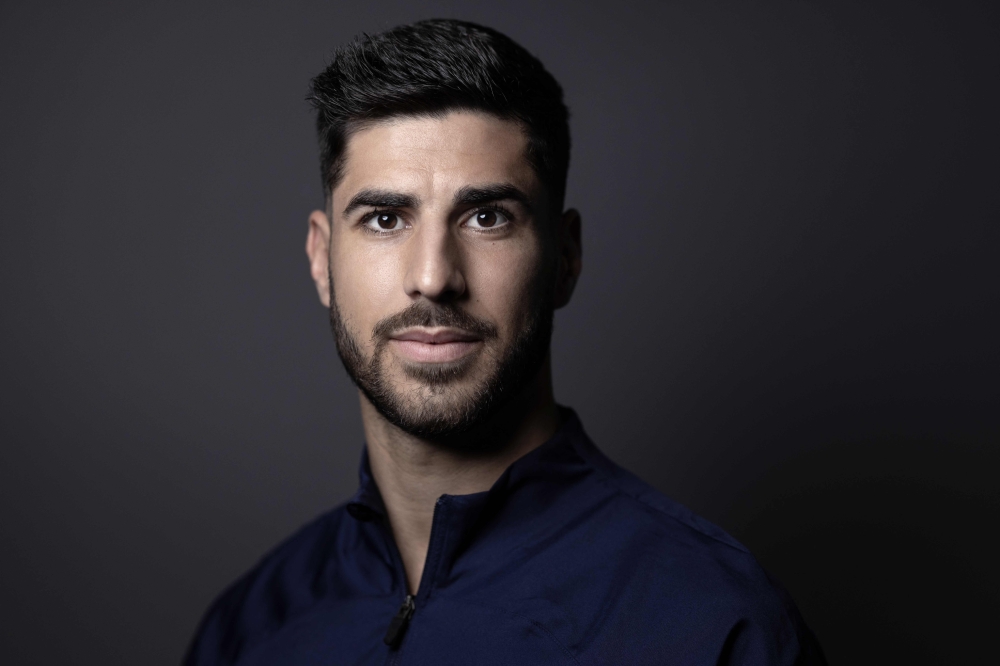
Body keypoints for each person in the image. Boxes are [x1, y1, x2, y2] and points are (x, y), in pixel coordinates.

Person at [185, 18, 825, 665]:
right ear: (322, 259)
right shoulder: (246, 631)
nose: (433, 277)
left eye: (487, 217)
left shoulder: (715, 625)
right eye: (385, 218)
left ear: (565, 257)